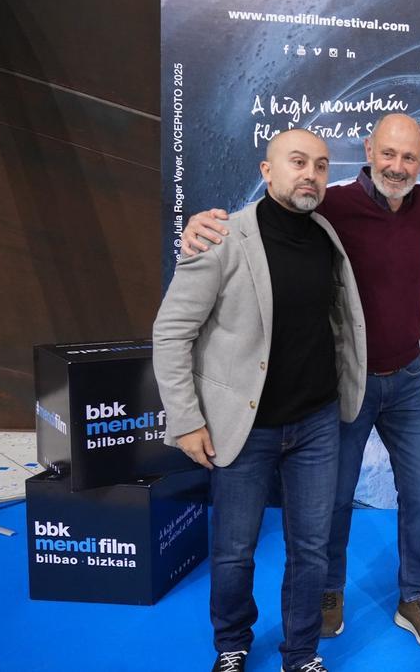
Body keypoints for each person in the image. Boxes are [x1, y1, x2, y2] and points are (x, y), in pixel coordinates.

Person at [180, 114, 420, 650]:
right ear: (369, 151)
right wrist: (198, 227)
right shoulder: (327, 206)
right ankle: (328, 591)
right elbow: (263, 221)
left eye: (410, 158)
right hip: (347, 383)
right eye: (388, 154)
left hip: (409, 378)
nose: (398, 167)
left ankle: (414, 595)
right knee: (333, 503)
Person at [153, 129, 366, 672]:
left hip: (317, 424)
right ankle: (232, 645)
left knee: (311, 549)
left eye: (320, 165)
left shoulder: (325, 235)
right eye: (298, 162)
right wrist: (186, 420)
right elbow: (172, 332)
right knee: (233, 551)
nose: (311, 174)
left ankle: (301, 654)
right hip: (245, 428)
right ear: (267, 170)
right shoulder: (222, 236)